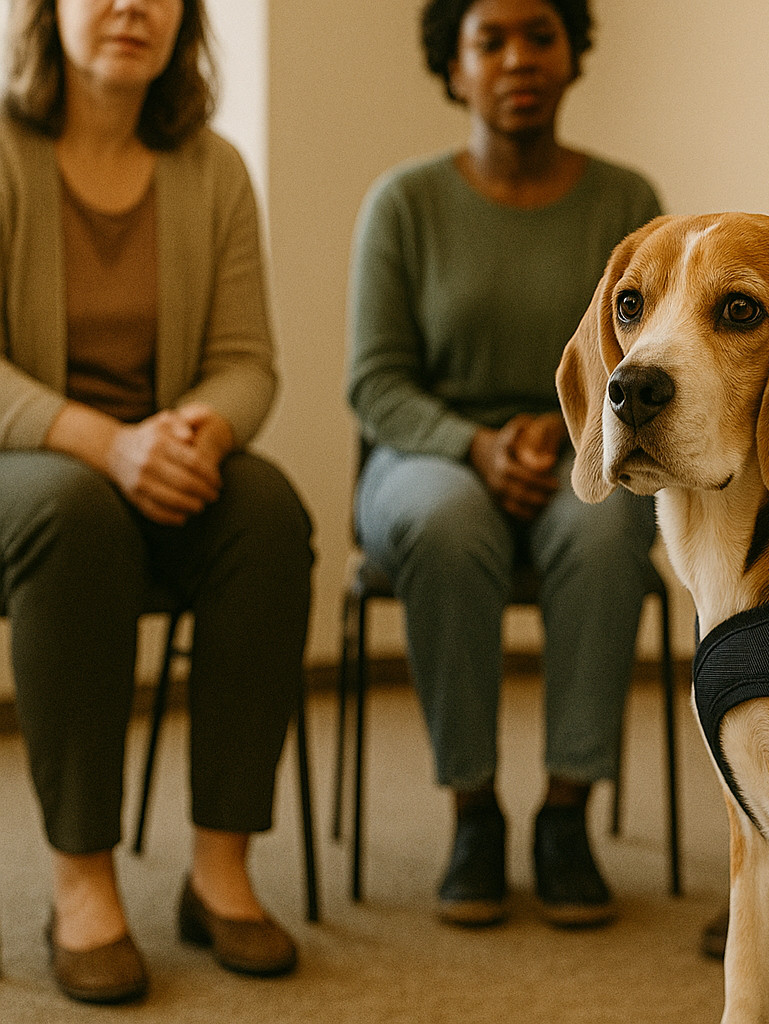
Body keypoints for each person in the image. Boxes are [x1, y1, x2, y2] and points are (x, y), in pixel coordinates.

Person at [0, 0, 313, 1004]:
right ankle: (81, 882)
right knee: (75, 511)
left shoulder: (214, 169)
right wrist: (108, 444)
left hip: (160, 462)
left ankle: (220, 870)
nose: (132, 4)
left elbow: (247, 361)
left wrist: (198, 434)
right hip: (27, 472)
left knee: (267, 511)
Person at [347, 0, 661, 931]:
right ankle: (472, 812)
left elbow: (650, 358)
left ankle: (567, 814)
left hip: (581, 444)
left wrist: (565, 434)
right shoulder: (403, 204)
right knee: (445, 522)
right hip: (427, 454)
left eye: (540, 36)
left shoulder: (626, 203)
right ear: (453, 67)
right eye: (490, 41)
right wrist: (474, 446)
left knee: (608, 523)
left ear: (574, 55)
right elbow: (375, 383)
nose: (518, 59)